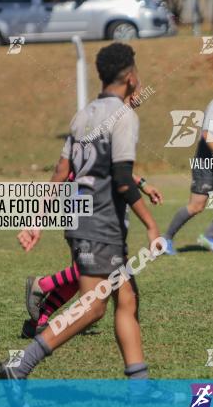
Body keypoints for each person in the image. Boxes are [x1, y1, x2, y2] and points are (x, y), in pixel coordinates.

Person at [0, 43, 166, 407]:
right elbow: (122, 178)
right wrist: (152, 227)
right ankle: (20, 367)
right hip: (100, 223)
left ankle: (140, 387)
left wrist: (36, 219)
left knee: (127, 298)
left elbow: (61, 173)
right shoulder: (124, 116)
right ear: (131, 76)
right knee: (92, 308)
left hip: (81, 216)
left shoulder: (83, 114)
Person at [20, 89, 162, 339]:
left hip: (82, 197)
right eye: (135, 90)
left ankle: (39, 320)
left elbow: (111, 167)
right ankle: (42, 285)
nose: (140, 96)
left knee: (83, 273)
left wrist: (143, 184)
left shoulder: (105, 119)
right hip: (86, 198)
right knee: (92, 269)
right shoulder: (113, 119)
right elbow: (104, 168)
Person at [160, 66, 213, 254]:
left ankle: (209, 236)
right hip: (206, 162)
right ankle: (166, 239)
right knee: (197, 206)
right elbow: (206, 134)